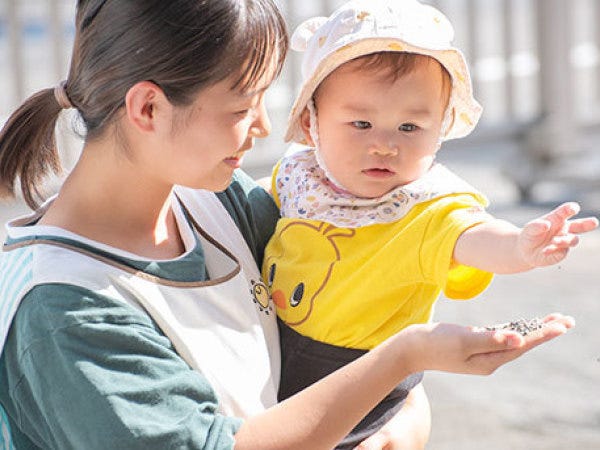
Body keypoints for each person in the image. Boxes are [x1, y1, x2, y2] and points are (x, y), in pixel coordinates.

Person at [0, 0, 576, 449]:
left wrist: (400, 413)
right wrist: (404, 358)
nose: (263, 126)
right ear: (147, 108)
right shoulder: (63, 309)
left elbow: (357, 325)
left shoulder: (222, 205)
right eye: (241, 107)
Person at [262, 0, 599, 448]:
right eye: (361, 123)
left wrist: (520, 245)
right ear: (311, 123)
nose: (384, 145)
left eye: (409, 127)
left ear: (440, 130)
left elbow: (472, 235)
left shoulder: (425, 207)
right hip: (272, 351)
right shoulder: (297, 178)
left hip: (365, 383)